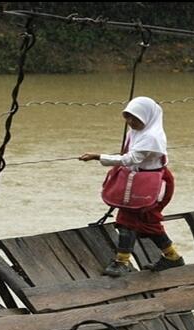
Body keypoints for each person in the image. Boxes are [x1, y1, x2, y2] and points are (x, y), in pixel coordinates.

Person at [79, 96, 185, 277]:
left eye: (135, 118)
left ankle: (121, 261)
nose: (130, 122)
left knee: (128, 220)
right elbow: (127, 156)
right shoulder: (135, 132)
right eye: (127, 117)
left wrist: (98, 156)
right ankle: (172, 257)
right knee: (148, 220)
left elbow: (131, 159)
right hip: (138, 182)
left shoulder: (152, 137)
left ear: (147, 117)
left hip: (153, 185)